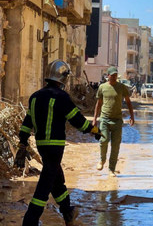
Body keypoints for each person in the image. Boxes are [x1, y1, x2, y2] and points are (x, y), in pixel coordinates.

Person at [15, 60, 101, 226]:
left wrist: (22, 144)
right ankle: (30, 220)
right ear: (64, 77)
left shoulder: (34, 97)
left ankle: (67, 211)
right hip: (55, 147)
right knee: (45, 184)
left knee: (56, 179)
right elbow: (78, 120)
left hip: (42, 146)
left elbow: (27, 123)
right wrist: (94, 130)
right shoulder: (61, 97)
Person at [93, 66, 134, 176]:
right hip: (105, 119)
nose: (114, 77)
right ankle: (102, 160)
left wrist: (132, 116)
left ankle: (111, 169)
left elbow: (129, 102)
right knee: (104, 140)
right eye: (112, 75)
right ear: (108, 76)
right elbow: (98, 104)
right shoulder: (102, 87)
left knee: (115, 146)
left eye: (116, 75)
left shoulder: (122, 87)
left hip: (117, 120)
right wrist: (94, 119)